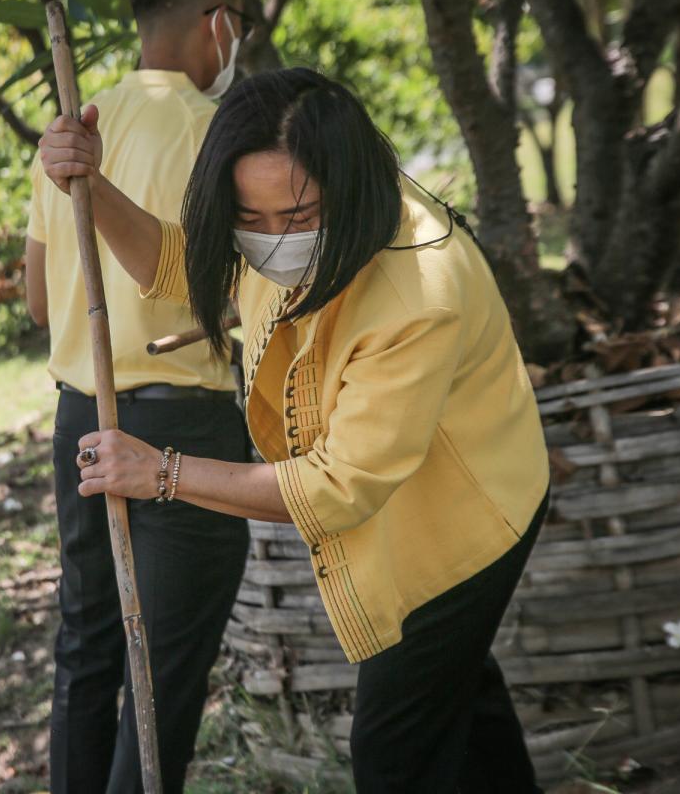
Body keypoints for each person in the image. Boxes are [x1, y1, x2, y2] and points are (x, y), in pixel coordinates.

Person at [36, 67, 552, 792]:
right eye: (252, 218)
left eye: (299, 217)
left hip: (462, 522)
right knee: (459, 713)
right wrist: (91, 186)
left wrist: (164, 473)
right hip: (395, 491)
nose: (275, 241)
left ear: (351, 184)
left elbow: (337, 485)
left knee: (395, 754)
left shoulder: (419, 293)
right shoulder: (283, 224)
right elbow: (184, 266)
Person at [22, 0, 256, 792]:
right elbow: (226, 281)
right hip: (180, 427)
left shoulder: (70, 130)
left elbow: (39, 303)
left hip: (80, 417)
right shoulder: (214, 127)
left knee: (87, 649)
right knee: (163, 682)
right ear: (217, 21)